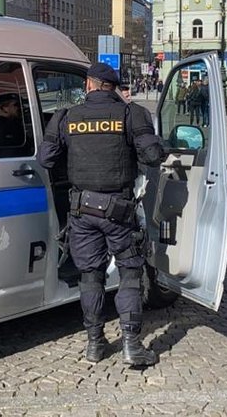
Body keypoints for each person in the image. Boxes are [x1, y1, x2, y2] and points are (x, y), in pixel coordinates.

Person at [37, 63, 166, 367]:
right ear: (114, 87)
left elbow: (46, 159)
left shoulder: (66, 116)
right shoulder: (131, 114)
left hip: (81, 209)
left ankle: (95, 344)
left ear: (89, 85)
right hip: (118, 211)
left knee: (90, 276)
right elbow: (153, 156)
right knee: (131, 274)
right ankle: (132, 346)